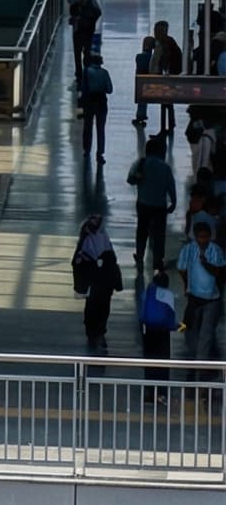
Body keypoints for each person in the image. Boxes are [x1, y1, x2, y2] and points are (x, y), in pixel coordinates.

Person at [75, 214, 122, 355]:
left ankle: (93, 331)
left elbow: (78, 260)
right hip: (104, 281)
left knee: (92, 306)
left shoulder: (86, 238)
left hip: (94, 281)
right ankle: (99, 331)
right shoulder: (104, 238)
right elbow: (111, 258)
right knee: (103, 307)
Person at [179, 218, 225, 363]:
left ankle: (200, 363)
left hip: (212, 299)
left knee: (206, 333)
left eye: (205, 237)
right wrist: (187, 285)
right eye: (200, 237)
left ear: (210, 236)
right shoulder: (188, 249)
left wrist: (205, 263)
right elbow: (182, 269)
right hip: (194, 298)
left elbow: (219, 272)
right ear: (195, 236)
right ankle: (194, 357)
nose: (202, 240)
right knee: (188, 328)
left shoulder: (216, 250)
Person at [132, 134, 178, 274]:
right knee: (159, 233)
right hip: (159, 206)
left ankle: (139, 255)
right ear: (160, 152)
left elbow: (131, 179)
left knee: (142, 230)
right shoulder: (165, 168)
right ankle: (158, 260)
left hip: (143, 203)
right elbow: (171, 186)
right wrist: (173, 202)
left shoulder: (140, 163)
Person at [140, 268, 180, 400]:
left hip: (149, 332)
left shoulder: (147, 292)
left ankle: (149, 392)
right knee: (163, 362)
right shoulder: (168, 294)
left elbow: (141, 315)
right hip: (163, 333)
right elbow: (171, 318)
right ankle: (162, 392)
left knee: (150, 361)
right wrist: (178, 327)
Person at [77, 47, 114, 162]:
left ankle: (86, 149)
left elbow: (83, 87)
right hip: (101, 101)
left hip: (89, 101)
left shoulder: (86, 71)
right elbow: (109, 89)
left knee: (88, 126)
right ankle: (100, 153)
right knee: (100, 128)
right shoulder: (105, 73)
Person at [134, 35, 161, 131]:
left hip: (142, 81)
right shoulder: (154, 58)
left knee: (141, 101)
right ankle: (141, 115)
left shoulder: (140, 57)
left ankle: (140, 116)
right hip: (151, 80)